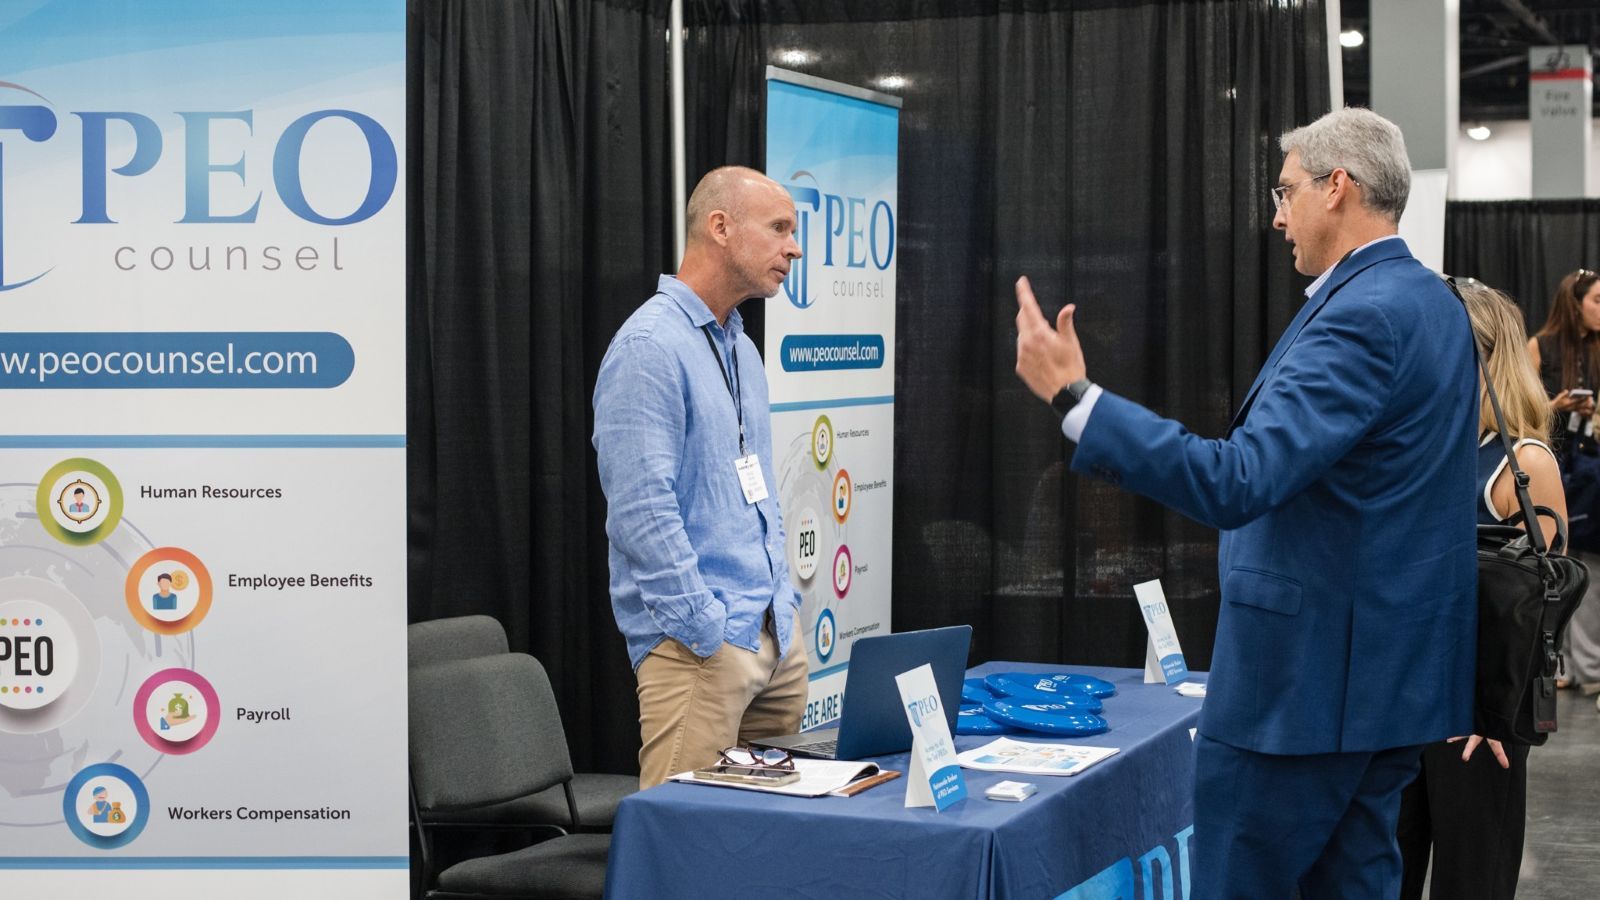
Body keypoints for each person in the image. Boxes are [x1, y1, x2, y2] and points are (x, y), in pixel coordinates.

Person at [1013, 107, 1477, 897]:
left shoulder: (1362, 315)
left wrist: (1078, 401)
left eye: (1286, 191)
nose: (1277, 215)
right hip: (1385, 691)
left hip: (1302, 698)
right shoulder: (1433, 303)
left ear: (1337, 187)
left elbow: (1237, 480)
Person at [593, 166, 809, 789]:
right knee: (684, 839)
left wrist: (782, 609)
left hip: (772, 635)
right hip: (701, 649)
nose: (793, 248)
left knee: (769, 837)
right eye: (779, 228)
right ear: (720, 227)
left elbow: (757, 488)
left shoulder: (741, 346)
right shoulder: (649, 348)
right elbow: (640, 510)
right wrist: (703, 628)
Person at [1395, 279, 1566, 900]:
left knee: (1473, 880)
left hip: (1478, 720)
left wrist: (1491, 712)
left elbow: (1536, 611)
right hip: (1398, 705)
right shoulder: (1419, 446)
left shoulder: (1524, 462)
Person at [1527, 268, 1600, 699]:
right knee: (1553, 565)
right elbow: (1521, 410)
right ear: (1574, 304)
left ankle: (1585, 665)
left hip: (1591, 473)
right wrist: (1555, 406)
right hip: (1549, 467)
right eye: (1597, 300)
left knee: (1587, 563)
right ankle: (1560, 664)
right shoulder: (1542, 346)